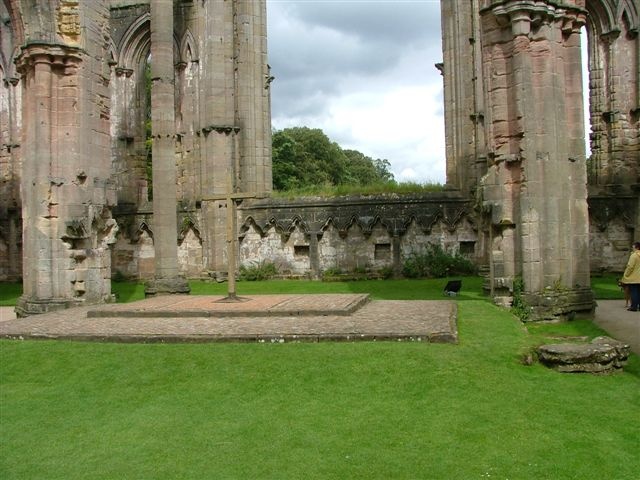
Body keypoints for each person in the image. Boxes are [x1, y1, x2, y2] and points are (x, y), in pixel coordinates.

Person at [621, 242, 640, 311]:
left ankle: (634, 307)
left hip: (635, 277)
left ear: (637, 247)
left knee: (634, 292)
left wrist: (626, 274)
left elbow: (630, 267)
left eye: (633, 247)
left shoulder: (634, 255)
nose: (632, 248)